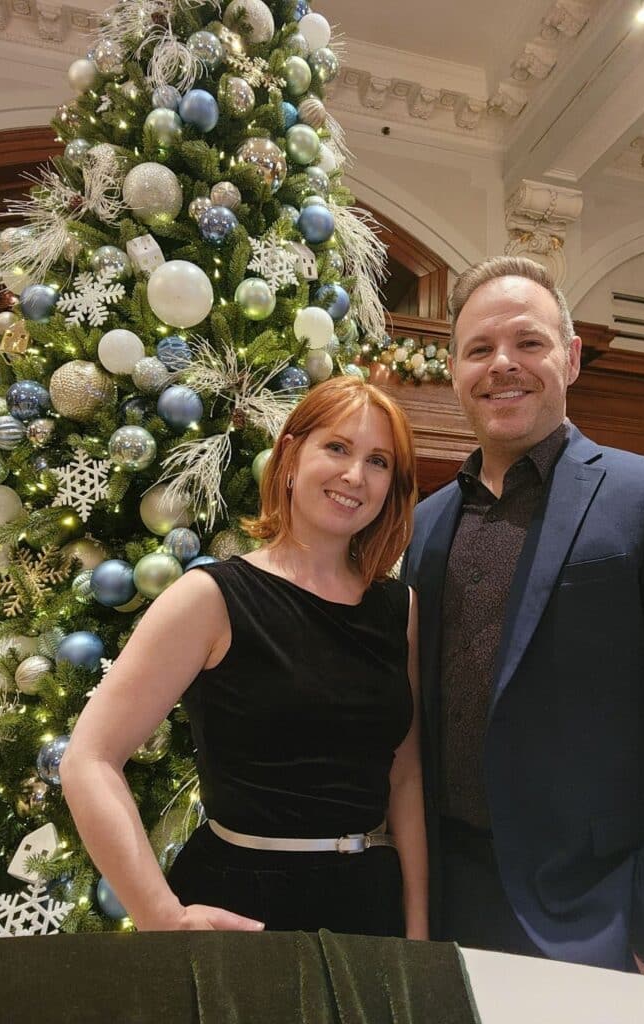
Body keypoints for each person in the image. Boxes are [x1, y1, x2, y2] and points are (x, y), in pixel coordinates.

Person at [401, 255, 644, 973]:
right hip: (444, 899)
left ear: (571, 357)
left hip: (595, 916)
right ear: (453, 369)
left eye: (528, 343)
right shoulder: (427, 523)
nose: (503, 365)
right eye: (479, 349)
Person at [61, 375, 428, 940]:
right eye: (337, 447)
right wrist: (161, 913)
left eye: (378, 461)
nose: (356, 475)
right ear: (289, 455)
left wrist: (418, 929)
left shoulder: (397, 608)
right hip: (241, 906)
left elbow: (404, 779)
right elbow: (88, 757)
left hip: (368, 907)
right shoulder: (209, 598)